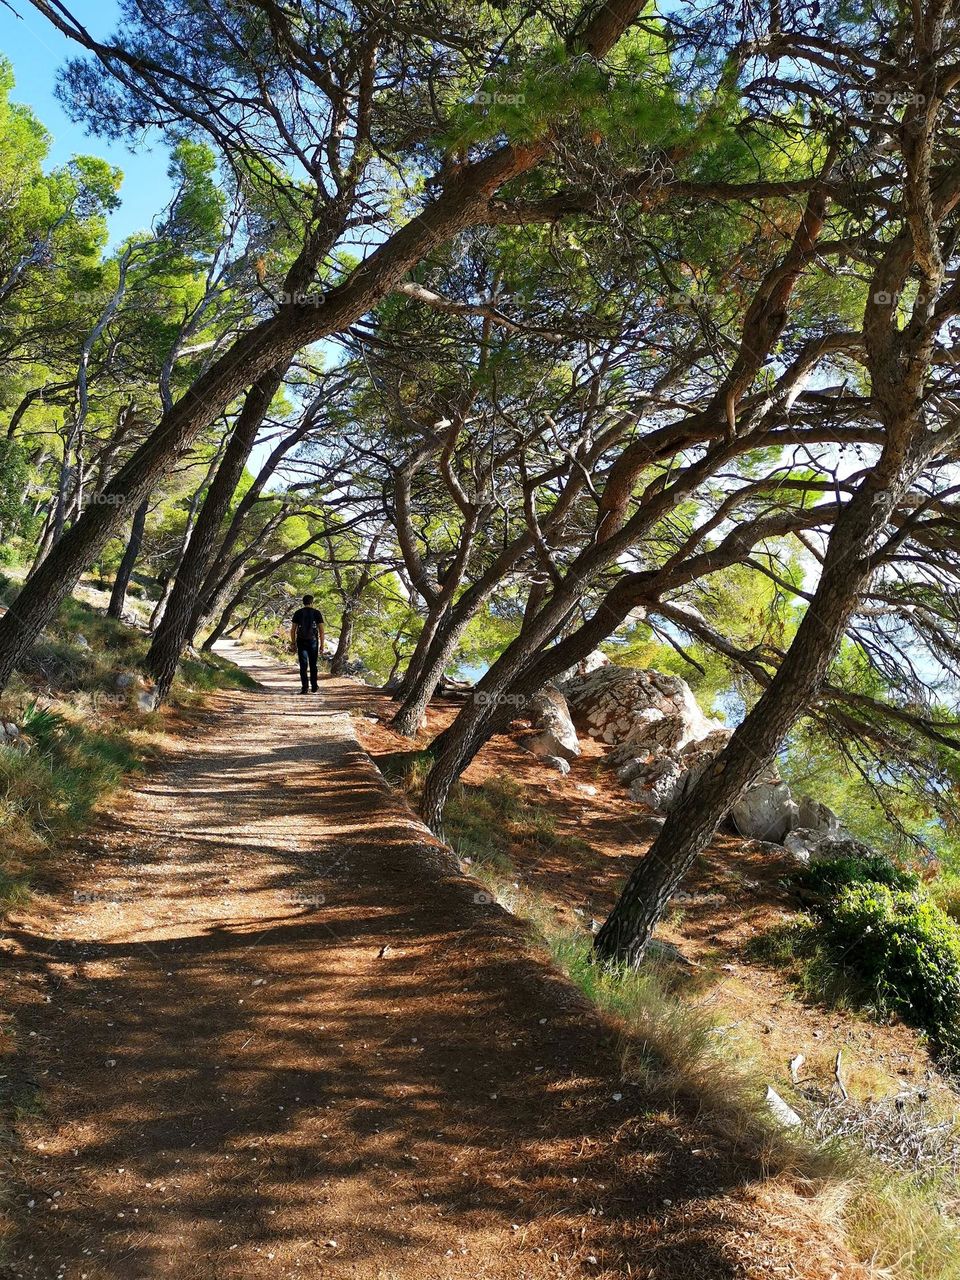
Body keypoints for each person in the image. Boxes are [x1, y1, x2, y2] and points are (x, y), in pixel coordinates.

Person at [289, 594, 325, 694]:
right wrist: (322, 645)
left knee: (303, 665)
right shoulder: (317, 613)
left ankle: (304, 688)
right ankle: (314, 686)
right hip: (313, 642)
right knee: (313, 665)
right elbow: (321, 631)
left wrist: (293, 643)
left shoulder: (298, 613)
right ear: (312, 602)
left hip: (301, 641)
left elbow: (293, 630)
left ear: (303, 602)